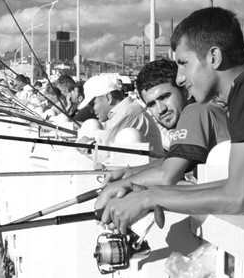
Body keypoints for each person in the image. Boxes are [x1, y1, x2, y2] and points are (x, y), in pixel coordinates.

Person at [95, 7, 244, 233]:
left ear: (214, 57)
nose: (180, 78)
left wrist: (147, 199)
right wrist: (143, 191)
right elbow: (233, 187)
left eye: (184, 63)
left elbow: (237, 199)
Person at [99, 58, 230, 198]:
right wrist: (129, 172)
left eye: (165, 97)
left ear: (186, 91)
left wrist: (117, 186)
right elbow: (175, 161)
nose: (160, 109)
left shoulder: (195, 111)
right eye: (152, 104)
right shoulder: (206, 110)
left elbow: (167, 176)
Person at [77, 75, 163, 153]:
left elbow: (105, 147)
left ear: (108, 98)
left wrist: (88, 143)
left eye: (93, 104)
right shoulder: (127, 111)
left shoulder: (127, 113)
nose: (91, 110)